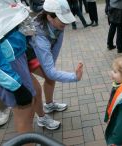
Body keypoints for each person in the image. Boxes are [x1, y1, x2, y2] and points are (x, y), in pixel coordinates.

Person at [27, 0, 83, 128]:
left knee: (50, 78)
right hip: (19, 58)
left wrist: (51, 69)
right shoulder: (40, 38)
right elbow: (51, 71)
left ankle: (49, 105)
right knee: (35, 89)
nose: (66, 23)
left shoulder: (58, 26)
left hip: (32, 54)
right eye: (62, 19)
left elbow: (54, 54)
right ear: (49, 17)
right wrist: (74, 77)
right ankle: (41, 118)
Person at [0, 28, 36, 141]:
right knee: (23, 116)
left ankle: (31, 140)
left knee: (27, 113)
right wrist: (17, 87)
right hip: (7, 64)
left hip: (11, 58)